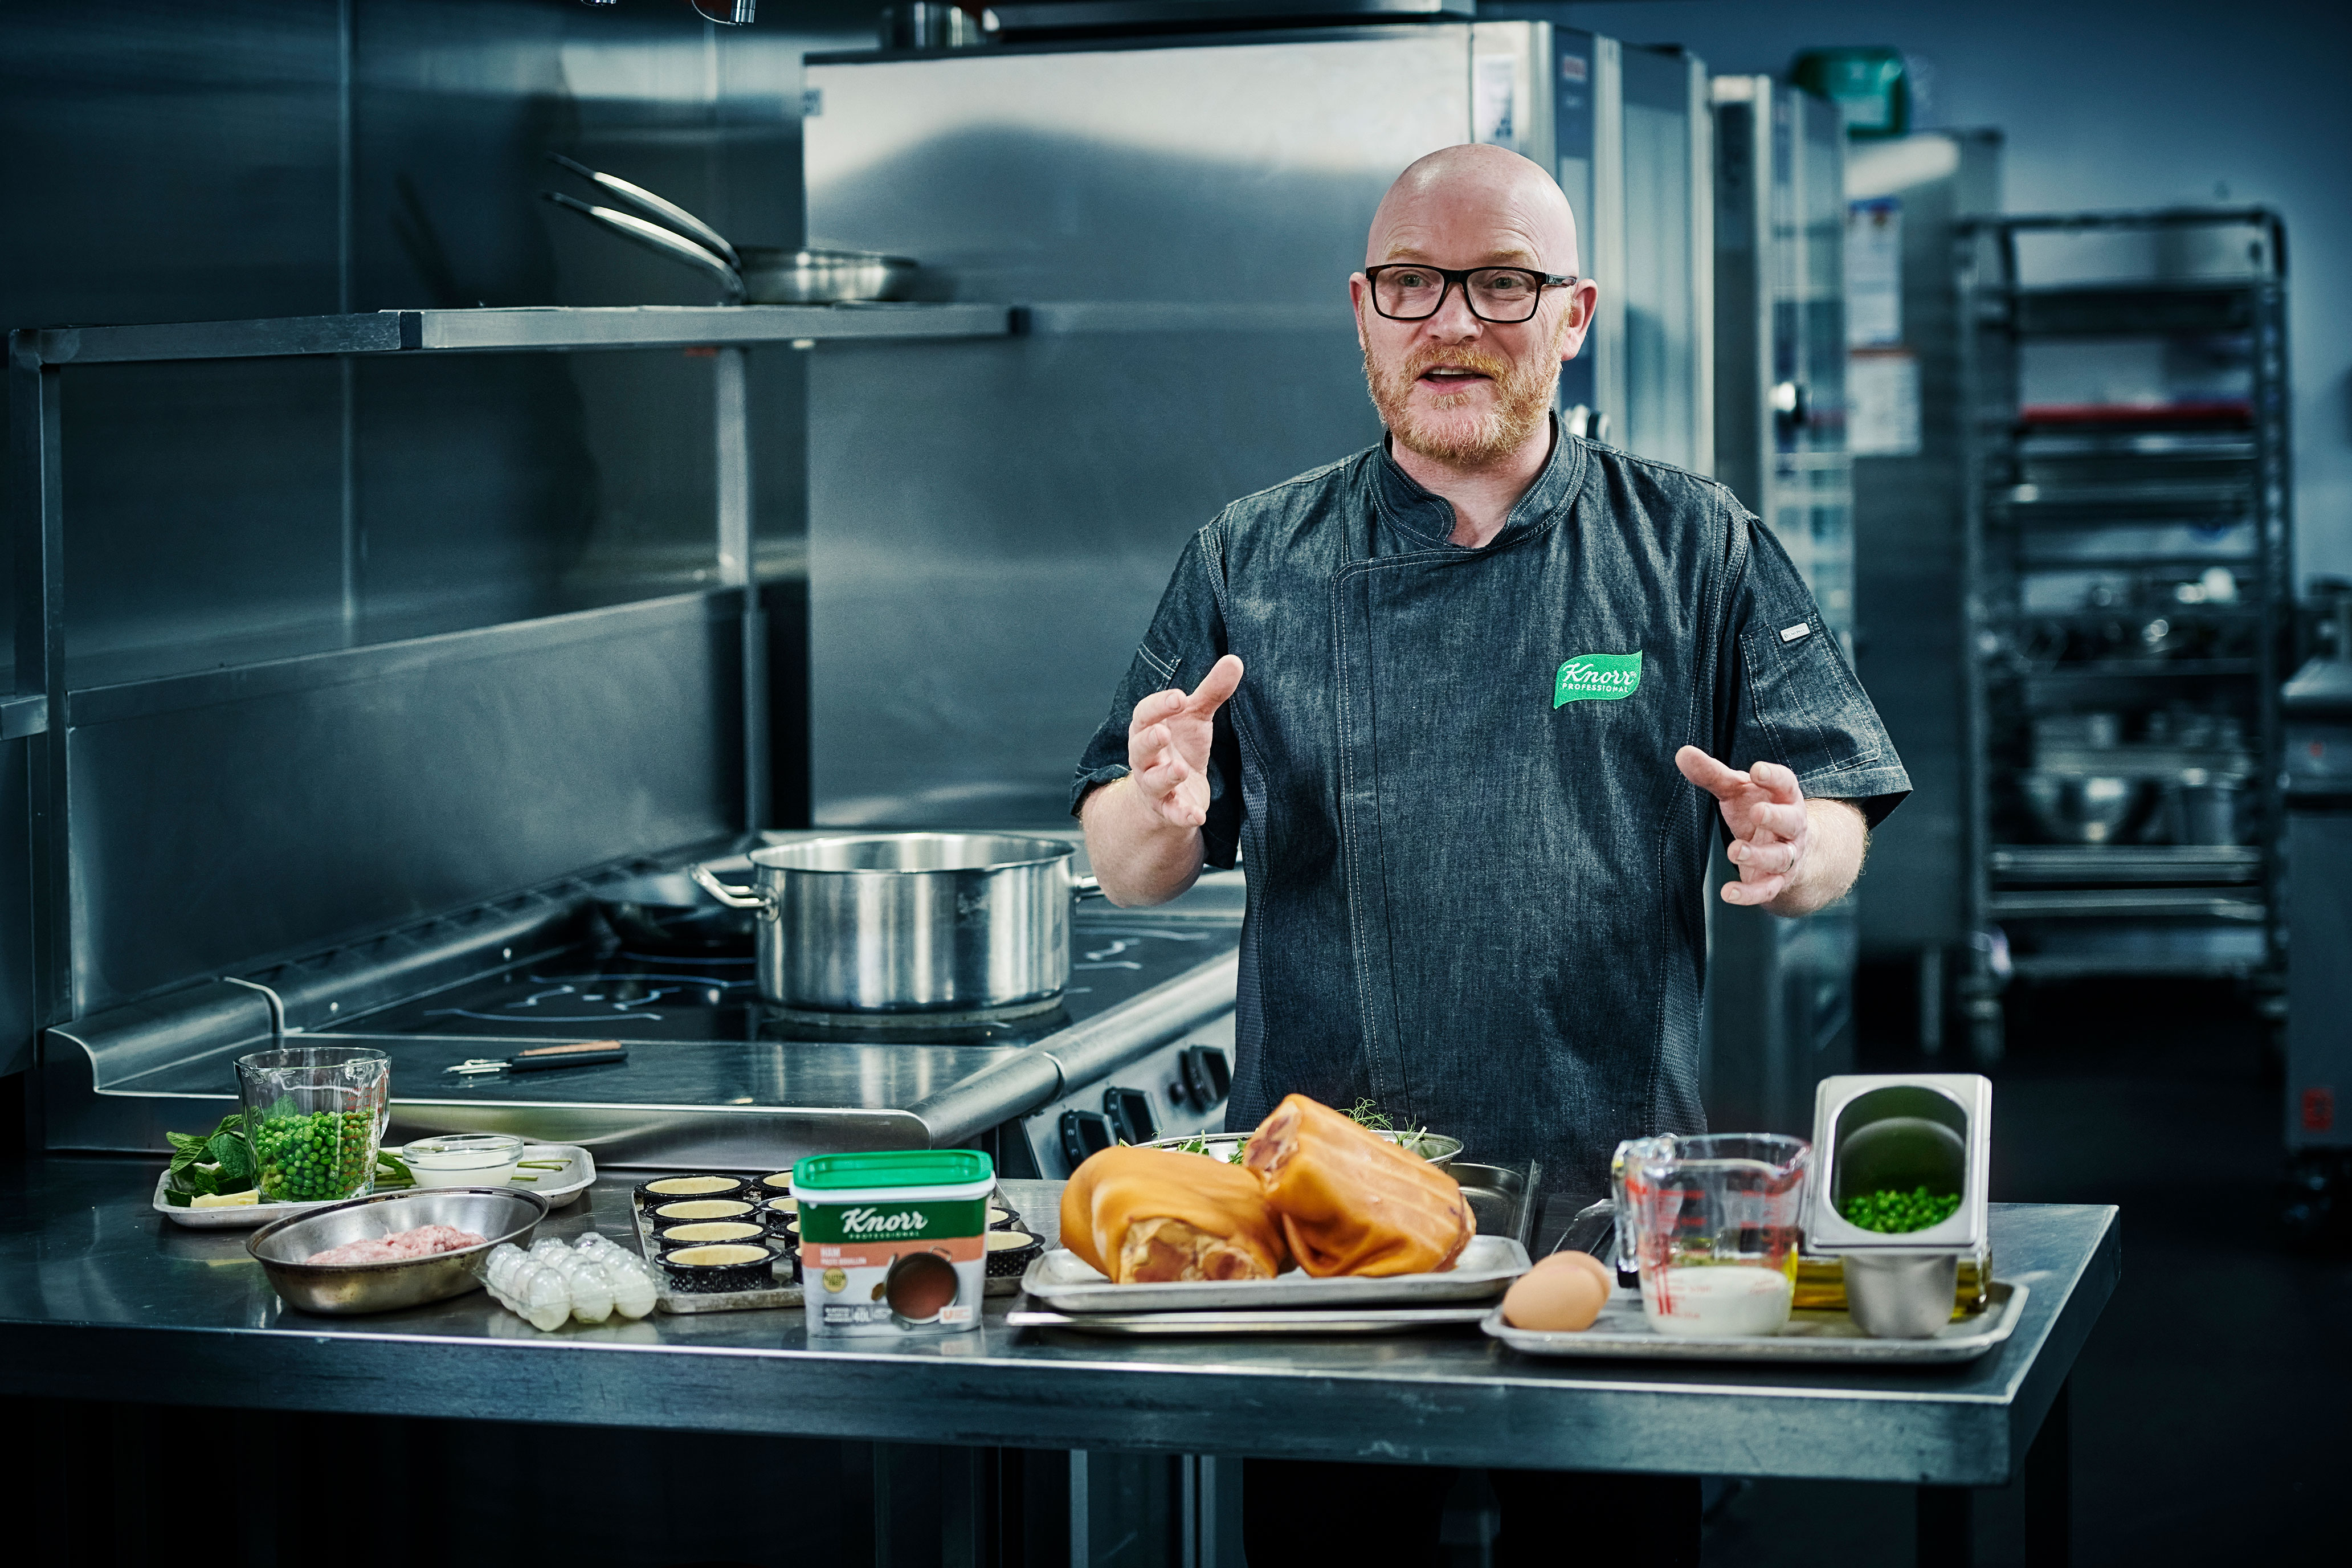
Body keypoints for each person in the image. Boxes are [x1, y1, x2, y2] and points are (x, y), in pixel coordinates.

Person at [1069, 144, 1911, 1563]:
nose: (1451, 322)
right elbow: (1128, 856)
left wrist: (1793, 842)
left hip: (1607, 1197)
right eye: (1413, 283)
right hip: (1321, 1220)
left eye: (1500, 284)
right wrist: (1156, 808)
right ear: (1363, 308)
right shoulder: (1251, 553)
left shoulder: (1692, 541)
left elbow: (1831, 813)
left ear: (1572, 314)